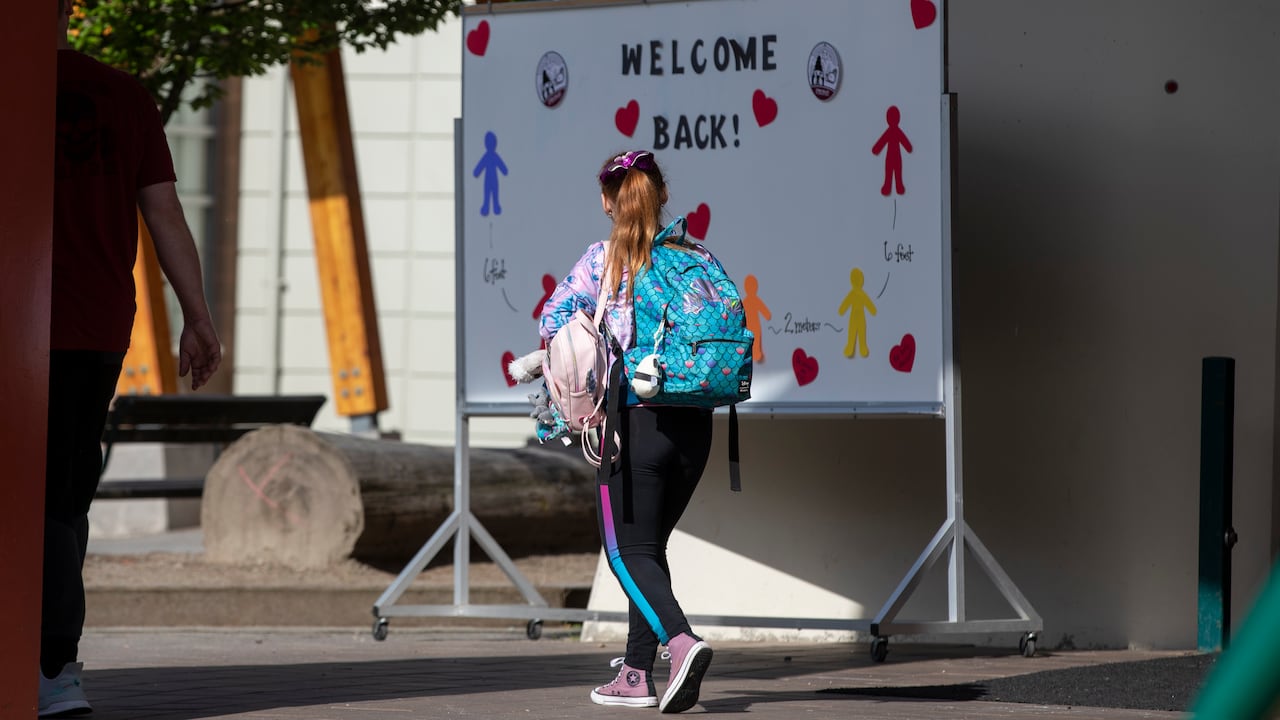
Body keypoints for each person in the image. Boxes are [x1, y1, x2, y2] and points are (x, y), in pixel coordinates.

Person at [41, 1, 222, 715]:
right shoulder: (125, 95)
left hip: (22, 327)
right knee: (64, 493)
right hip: (95, 325)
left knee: (39, 497)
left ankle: (48, 659)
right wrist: (198, 315)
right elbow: (165, 212)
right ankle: (56, 668)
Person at [539, 150, 713, 714]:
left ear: (608, 201)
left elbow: (552, 323)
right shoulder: (696, 256)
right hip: (697, 426)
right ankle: (636, 673)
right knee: (649, 549)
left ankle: (681, 642)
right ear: (662, 196)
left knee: (623, 551)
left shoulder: (603, 261)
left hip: (633, 425)